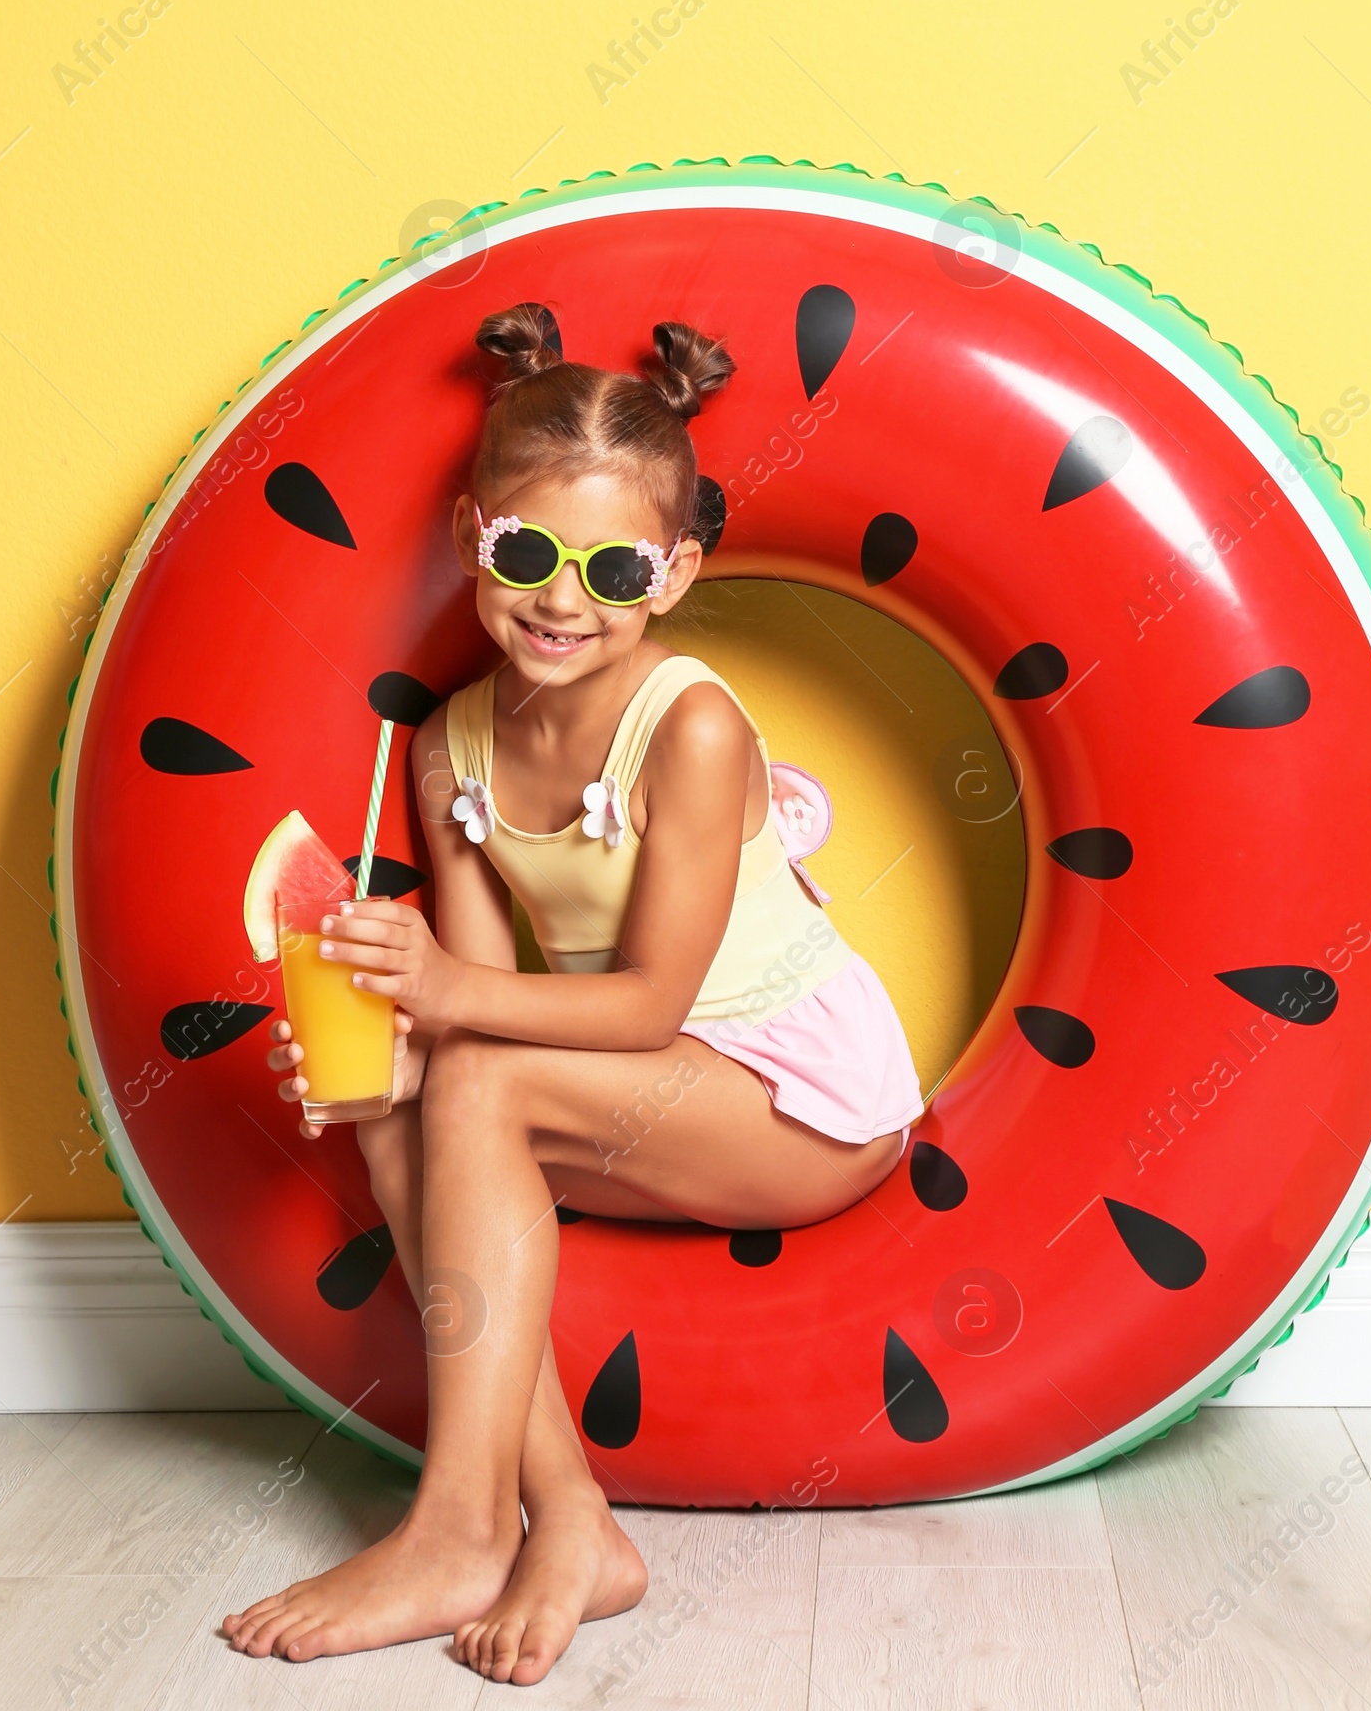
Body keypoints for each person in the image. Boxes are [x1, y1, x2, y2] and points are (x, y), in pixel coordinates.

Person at [222, 301, 922, 1683]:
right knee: (398, 1098)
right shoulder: (445, 747)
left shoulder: (694, 723)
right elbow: (478, 992)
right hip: (633, 1097)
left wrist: (440, 1000)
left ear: (674, 573)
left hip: (801, 1103)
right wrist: (401, 1031)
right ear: (476, 534)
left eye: (613, 568)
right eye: (529, 553)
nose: (563, 598)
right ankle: (575, 1524)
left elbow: (653, 1006)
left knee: (465, 1068)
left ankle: (461, 1522)